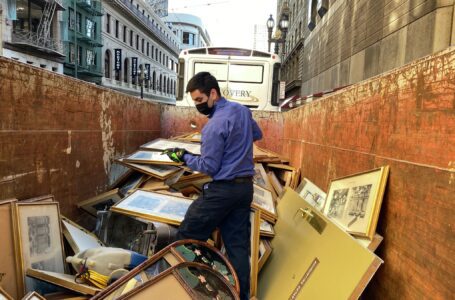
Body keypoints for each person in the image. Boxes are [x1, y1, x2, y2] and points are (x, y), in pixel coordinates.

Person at [164, 72, 262, 299]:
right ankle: (241, 296)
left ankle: (191, 291)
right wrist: (237, 146)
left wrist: (183, 156)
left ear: (213, 93)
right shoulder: (242, 111)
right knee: (237, 248)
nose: (198, 106)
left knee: (187, 236)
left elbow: (208, 166)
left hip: (223, 191)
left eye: (199, 100)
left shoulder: (213, 126)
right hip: (244, 190)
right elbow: (257, 134)